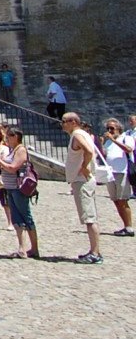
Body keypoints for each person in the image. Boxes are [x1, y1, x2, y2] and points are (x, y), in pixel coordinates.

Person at [62, 112, 104, 263]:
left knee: (89, 217)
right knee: (89, 216)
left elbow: (88, 150)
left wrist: (84, 166)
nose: (62, 124)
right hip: (82, 180)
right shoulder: (82, 134)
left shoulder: (78, 135)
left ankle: (95, 253)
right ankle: (94, 250)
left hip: (83, 180)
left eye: (64, 121)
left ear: (73, 122)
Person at [0, 126, 38, 258]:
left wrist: (0, 161)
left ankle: (34, 248)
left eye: (9, 136)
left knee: (26, 216)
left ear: (16, 137)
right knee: (17, 218)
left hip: (19, 188)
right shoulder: (12, 150)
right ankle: (22, 248)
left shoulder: (21, 150)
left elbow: (13, 168)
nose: (7, 139)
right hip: (10, 187)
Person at [101, 118, 134, 237]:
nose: (109, 131)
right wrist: (101, 144)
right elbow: (104, 155)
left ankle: (129, 227)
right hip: (110, 173)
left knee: (123, 200)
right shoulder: (108, 141)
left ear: (118, 129)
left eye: (112, 128)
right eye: (108, 128)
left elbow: (128, 149)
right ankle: (125, 225)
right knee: (115, 200)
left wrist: (112, 140)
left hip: (122, 172)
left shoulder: (126, 138)